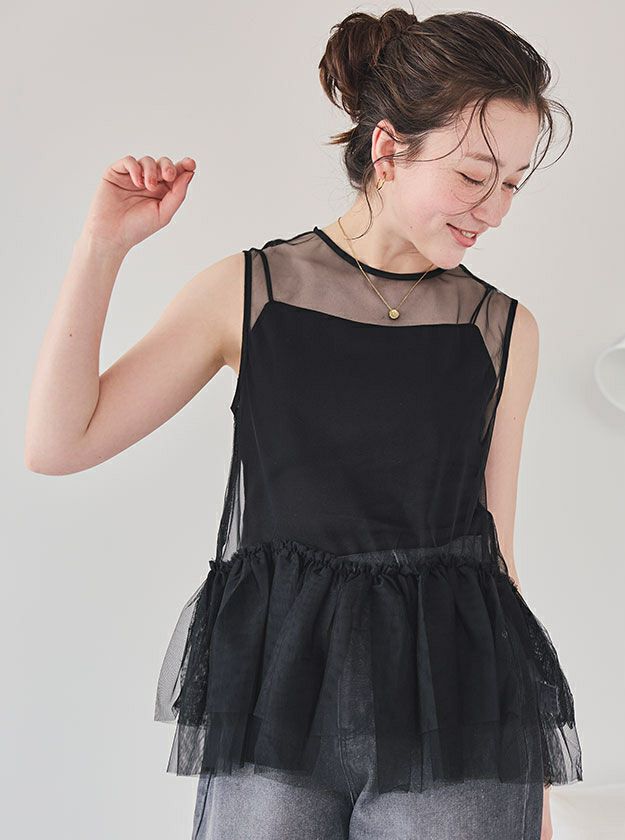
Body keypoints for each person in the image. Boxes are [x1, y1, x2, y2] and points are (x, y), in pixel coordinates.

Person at [25, 7, 583, 839]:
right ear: (389, 150)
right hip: (281, 691)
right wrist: (102, 247)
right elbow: (58, 443)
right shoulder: (248, 292)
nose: (494, 210)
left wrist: (525, 765)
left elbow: (497, 554)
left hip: (453, 700)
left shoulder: (503, 329)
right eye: (475, 176)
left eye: (512, 183)